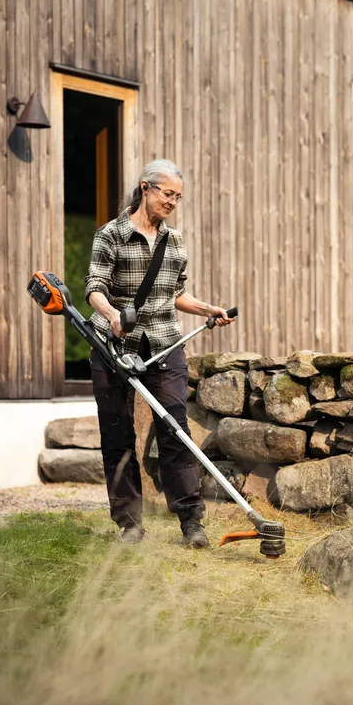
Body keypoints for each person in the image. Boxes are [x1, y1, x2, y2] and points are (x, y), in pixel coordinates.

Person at [84, 159, 234, 547]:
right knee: (117, 435)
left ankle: (190, 521)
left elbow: (176, 293)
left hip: (165, 343)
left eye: (178, 197)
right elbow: (94, 287)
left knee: (175, 430)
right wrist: (114, 316)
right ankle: (129, 525)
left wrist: (208, 310)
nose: (172, 202)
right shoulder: (111, 234)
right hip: (113, 346)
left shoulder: (175, 241)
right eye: (168, 193)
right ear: (146, 187)